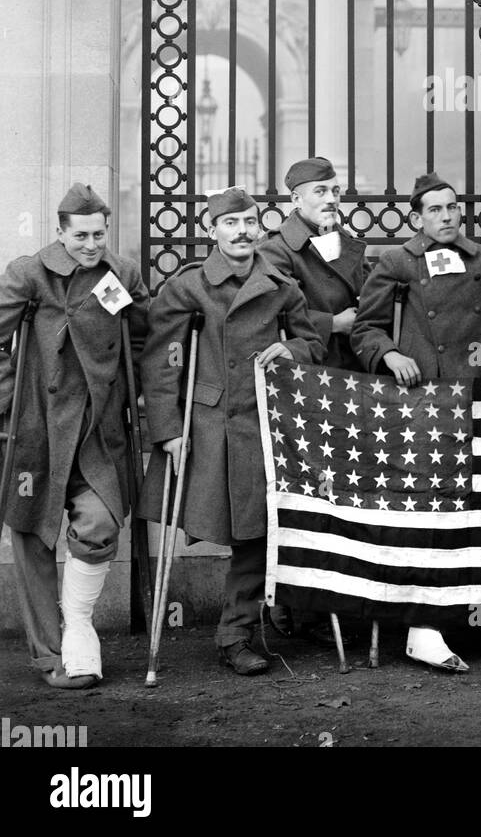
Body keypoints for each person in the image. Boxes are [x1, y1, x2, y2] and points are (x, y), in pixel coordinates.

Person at [351, 171, 481, 671]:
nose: (447, 216)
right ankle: (423, 628)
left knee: (475, 510)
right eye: (435, 209)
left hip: (478, 396)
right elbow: (365, 327)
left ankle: (469, 616)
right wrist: (388, 355)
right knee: (428, 513)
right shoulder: (395, 262)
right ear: (417, 218)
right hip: (421, 404)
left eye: (452, 207)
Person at [138, 187, 327, 676]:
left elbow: (311, 341)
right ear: (212, 230)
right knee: (236, 532)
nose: (242, 231)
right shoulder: (187, 289)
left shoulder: (282, 286)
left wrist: (294, 352)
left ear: (260, 225)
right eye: (230, 223)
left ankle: (234, 634)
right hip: (208, 429)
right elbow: (162, 364)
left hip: (266, 427)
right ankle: (225, 628)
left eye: (249, 222)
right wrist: (167, 432)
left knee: (258, 534)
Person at [0, 183, 150, 688]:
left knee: (100, 525)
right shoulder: (29, 273)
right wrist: (5, 406)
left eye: (99, 234)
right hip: (36, 430)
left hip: (96, 431)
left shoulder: (123, 274)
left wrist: (144, 399)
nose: (91, 244)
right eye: (81, 235)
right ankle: (50, 657)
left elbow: (145, 339)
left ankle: (79, 625)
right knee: (31, 537)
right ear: (60, 232)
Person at [260, 156, 367, 372]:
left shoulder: (346, 241)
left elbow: (371, 293)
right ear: (297, 199)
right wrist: (333, 323)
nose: (331, 200)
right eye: (320, 191)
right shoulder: (276, 249)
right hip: (308, 368)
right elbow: (271, 312)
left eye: (335, 191)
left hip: (355, 362)